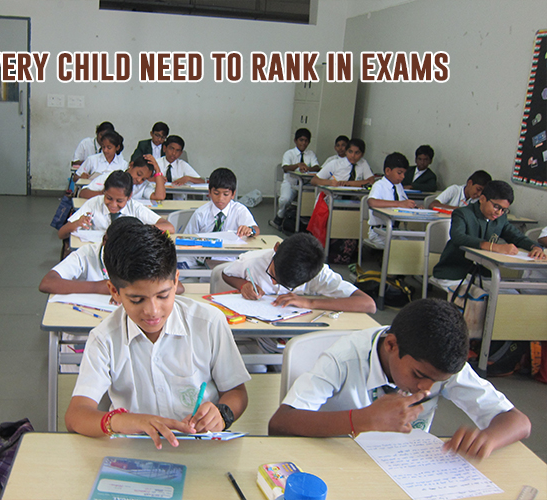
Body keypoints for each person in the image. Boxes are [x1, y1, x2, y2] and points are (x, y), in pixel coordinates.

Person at [64, 222, 250, 449]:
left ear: (175, 281)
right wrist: (123, 420)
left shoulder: (208, 322)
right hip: (134, 452)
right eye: (136, 300)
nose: (153, 311)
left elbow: (236, 392)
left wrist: (222, 414)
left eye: (163, 295)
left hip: (197, 446)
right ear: (115, 291)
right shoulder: (104, 338)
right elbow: (76, 416)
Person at [269, 299, 532, 460]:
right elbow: (281, 423)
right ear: (392, 345)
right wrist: (362, 419)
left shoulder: (440, 366)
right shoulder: (343, 359)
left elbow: (518, 422)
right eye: (418, 376)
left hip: (404, 467)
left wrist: (489, 439)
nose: (426, 388)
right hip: (340, 459)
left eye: (436, 382)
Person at [223, 232, 376, 313]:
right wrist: (244, 284)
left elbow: (368, 304)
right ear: (276, 248)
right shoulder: (254, 260)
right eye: (273, 275)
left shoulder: (317, 272)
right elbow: (225, 273)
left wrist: (310, 303)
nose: (275, 283)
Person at [432, 180, 546, 284]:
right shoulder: (463, 213)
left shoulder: (500, 219)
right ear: (482, 199)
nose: (499, 213)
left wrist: (535, 247)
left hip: (482, 274)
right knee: (481, 300)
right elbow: (458, 237)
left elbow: (517, 237)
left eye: (504, 210)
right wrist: (493, 247)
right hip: (454, 272)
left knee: (507, 297)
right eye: (496, 207)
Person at [40, 216, 183, 295]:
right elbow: (48, 282)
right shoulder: (86, 254)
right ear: (105, 242)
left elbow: (179, 287)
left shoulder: (141, 254)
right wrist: (98, 287)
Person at [58, 170, 174, 240]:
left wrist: (139, 229)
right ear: (104, 191)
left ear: (129, 197)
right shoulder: (93, 203)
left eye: (119, 201)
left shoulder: (134, 207)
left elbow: (170, 227)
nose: (113, 205)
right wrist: (76, 224)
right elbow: (61, 233)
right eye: (108, 198)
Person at [271, 129, 320, 230]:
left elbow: (317, 168)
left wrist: (307, 168)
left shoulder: (310, 154)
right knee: (285, 199)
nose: (303, 143)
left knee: (311, 199)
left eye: (306, 141)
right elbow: (285, 168)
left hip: (305, 185)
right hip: (291, 183)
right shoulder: (289, 153)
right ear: (295, 140)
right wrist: (298, 165)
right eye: (301, 140)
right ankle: (279, 217)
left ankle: (303, 224)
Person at [367, 152, 418, 247]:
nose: (403, 177)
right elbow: (371, 202)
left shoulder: (399, 186)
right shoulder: (379, 185)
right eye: (399, 173)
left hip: (394, 230)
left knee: (417, 242)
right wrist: (399, 204)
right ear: (388, 171)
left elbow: (404, 203)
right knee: (402, 245)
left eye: (404, 173)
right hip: (379, 232)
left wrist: (414, 207)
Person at [79, 155, 166, 201]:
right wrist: (106, 194)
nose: (139, 180)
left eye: (144, 179)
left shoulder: (143, 185)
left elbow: (160, 196)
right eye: (138, 174)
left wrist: (157, 169)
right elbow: (83, 193)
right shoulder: (111, 177)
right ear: (131, 165)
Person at [311, 138, 375, 188]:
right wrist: (330, 182)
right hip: (333, 197)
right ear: (346, 152)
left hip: (355, 198)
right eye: (350, 152)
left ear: (362, 154)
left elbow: (371, 181)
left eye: (357, 153)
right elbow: (314, 180)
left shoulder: (363, 163)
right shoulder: (335, 163)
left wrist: (348, 183)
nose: (353, 155)